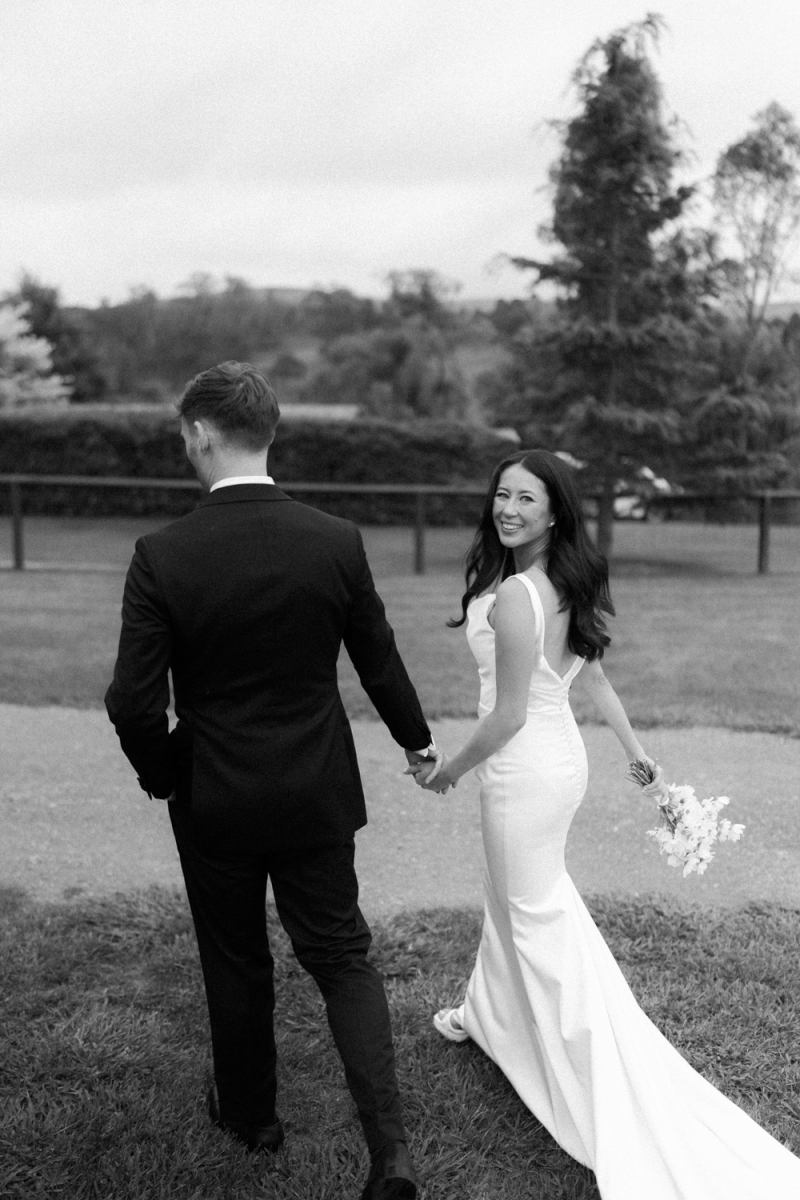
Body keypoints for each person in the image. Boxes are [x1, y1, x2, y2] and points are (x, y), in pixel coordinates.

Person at [406, 449, 800, 1199]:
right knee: (514, 901)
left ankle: (594, 1064)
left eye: (525, 498)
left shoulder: (522, 595)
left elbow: (512, 712)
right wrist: (642, 761)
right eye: (501, 495)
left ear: (556, 510)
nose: (507, 508)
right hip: (555, 766)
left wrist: (448, 771)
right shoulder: (559, 580)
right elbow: (592, 671)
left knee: (533, 915)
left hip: (524, 770)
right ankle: (486, 1015)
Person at [105, 361, 437, 1200]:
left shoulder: (163, 554)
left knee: (235, 954)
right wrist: (416, 740)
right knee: (340, 954)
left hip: (213, 791)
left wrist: (163, 773)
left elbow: (133, 703)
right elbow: (379, 661)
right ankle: (389, 1152)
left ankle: (252, 1117)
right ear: (270, 432)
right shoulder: (334, 539)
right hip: (317, 784)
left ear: (201, 432)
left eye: (186, 431)